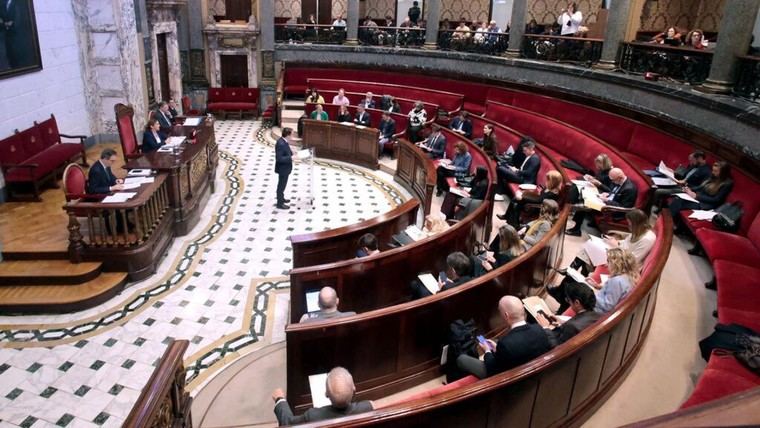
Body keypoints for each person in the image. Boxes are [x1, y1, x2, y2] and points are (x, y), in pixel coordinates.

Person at [456, 295, 551, 379]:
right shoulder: (539, 329)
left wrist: (487, 351)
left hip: (509, 380)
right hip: (536, 376)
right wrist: (498, 349)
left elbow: (493, 369)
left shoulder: (505, 344)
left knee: (462, 359)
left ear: (506, 315)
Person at [272, 367, 373, 425]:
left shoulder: (312, 416)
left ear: (326, 394)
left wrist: (280, 400)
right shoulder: (368, 407)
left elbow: (288, 423)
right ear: (354, 389)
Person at [566, 167, 638, 236]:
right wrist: (608, 194)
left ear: (620, 178)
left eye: (613, 180)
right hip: (608, 202)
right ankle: (575, 219)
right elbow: (615, 192)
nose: (612, 182)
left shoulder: (629, 189)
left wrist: (607, 200)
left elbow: (623, 207)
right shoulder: (620, 181)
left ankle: (576, 229)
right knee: (585, 199)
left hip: (614, 211)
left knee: (585, 206)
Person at [670, 161, 733, 230]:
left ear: (723, 173)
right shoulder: (713, 176)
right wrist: (689, 189)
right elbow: (700, 187)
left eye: (716, 171)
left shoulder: (727, 183)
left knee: (681, 202)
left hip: (707, 204)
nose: (713, 172)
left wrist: (697, 196)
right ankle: (670, 221)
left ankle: (671, 223)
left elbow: (716, 200)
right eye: (713, 170)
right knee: (678, 198)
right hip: (699, 199)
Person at [536, 280, 601, 347]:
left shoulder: (571, 326)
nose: (568, 302)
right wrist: (563, 322)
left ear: (577, 303)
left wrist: (545, 327)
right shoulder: (598, 315)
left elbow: (556, 347)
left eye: (568, 300)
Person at [498, 170, 563, 227]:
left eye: (548, 180)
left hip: (539, 206)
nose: (546, 181)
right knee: (515, 199)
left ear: (553, 182)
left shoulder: (553, 193)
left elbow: (540, 201)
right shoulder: (549, 187)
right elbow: (541, 196)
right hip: (537, 199)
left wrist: (522, 198)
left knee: (517, 202)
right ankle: (510, 219)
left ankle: (514, 223)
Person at [591, 248, 639, 313]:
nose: (606, 264)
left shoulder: (617, 281)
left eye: (609, 261)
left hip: (596, 312)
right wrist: (599, 287)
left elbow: (607, 305)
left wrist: (590, 296)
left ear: (616, 264)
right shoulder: (628, 277)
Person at [274, 128, 294, 209]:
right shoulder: (281, 143)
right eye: (292, 134)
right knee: (281, 186)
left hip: (285, 168)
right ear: (288, 135)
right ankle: (279, 203)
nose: (292, 136)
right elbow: (279, 158)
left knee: (283, 185)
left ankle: (281, 198)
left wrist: (292, 153)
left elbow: (286, 151)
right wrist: (291, 158)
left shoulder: (284, 141)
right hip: (283, 168)